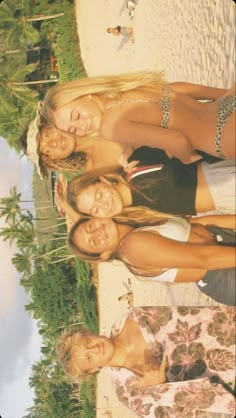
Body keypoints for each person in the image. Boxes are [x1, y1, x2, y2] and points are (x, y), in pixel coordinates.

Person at [57, 306, 236, 417]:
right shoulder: (128, 392)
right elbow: (170, 414)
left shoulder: (133, 317)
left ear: (89, 334)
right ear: (93, 370)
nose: (95, 349)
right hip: (222, 381)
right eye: (89, 358)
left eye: (87, 343)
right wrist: (160, 388)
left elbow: (194, 315)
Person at [41, 72, 235, 163]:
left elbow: (177, 140)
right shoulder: (124, 88)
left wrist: (186, 158)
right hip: (226, 106)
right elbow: (178, 89)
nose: (81, 125)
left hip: (221, 138)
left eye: (76, 115)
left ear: (85, 94)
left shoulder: (111, 128)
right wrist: (223, 93)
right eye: (73, 130)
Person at [67, 214, 236, 306]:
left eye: (90, 227)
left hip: (223, 242)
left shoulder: (136, 222)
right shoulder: (133, 247)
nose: (98, 232)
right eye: (94, 242)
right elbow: (204, 259)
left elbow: (198, 223)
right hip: (224, 274)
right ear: (103, 255)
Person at [63, 156, 235, 221]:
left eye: (99, 195)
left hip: (222, 180)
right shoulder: (137, 215)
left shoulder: (135, 169)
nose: (104, 205)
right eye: (95, 210)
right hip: (224, 204)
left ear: (103, 181)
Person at [20, 103, 134, 178]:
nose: (53, 143)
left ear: (51, 124)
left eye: (46, 135)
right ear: (53, 159)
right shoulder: (95, 172)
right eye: (47, 150)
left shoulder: (95, 114)